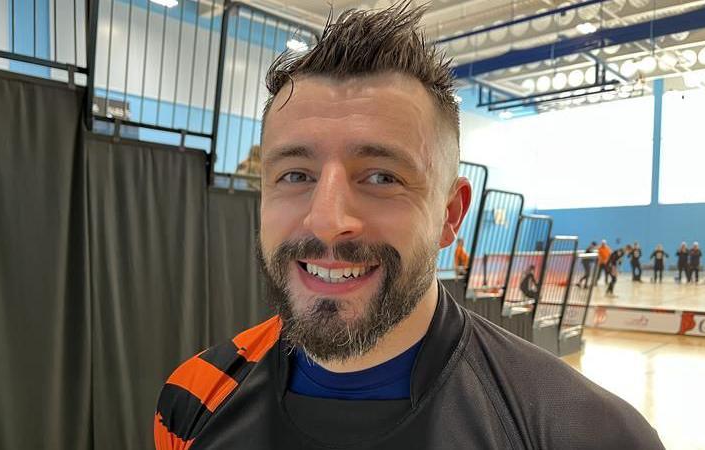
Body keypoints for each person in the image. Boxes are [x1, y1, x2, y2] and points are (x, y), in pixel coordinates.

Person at [155, 5, 663, 449]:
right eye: (295, 174)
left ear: (451, 214)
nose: (328, 221)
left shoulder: (582, 432)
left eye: (381, 176)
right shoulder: (194, 398)